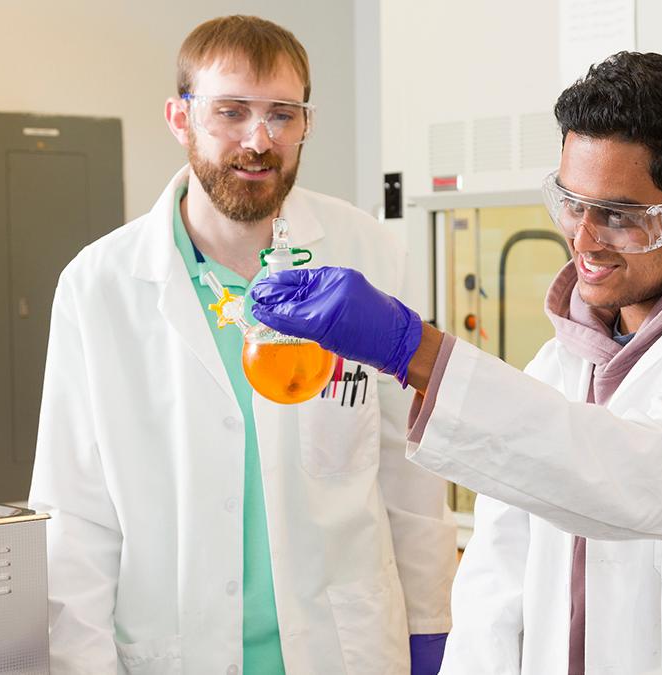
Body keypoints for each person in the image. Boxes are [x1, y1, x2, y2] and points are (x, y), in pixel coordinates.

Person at [250, 52, 662, 673]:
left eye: (618, 216)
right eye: (570, 202)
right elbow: (497, 591)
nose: (583, 239)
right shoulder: (559, 363)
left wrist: (416, 352)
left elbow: (659, 479)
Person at [29, 16, 456, 674]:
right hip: (172, 651)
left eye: (283, 114)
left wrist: (431, 629)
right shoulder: (99, 286)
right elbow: (76, 516)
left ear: (307, 123)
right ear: (179, 118)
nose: (260, 140)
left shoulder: (368, 253)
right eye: (231, 111)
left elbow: (409, 465)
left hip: (343, 649)